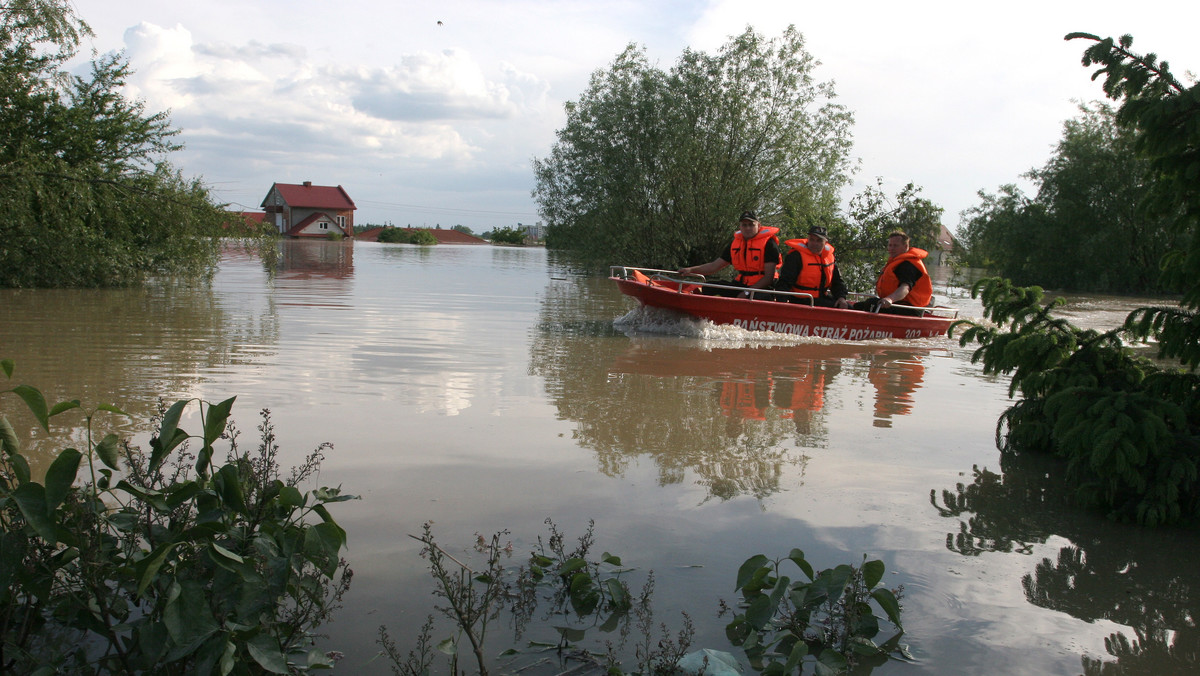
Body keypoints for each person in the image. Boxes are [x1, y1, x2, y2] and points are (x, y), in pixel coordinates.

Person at [677, 211, 780, 298]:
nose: (748, 228)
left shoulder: (769, 244)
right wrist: (690, 270)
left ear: (758, 225)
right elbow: (714, 266)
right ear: (740, 226)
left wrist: (747, 292)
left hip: (763, 288)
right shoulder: (735, 244)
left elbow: (768, 278)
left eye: (751, 225)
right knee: (709, 286)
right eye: (744, 225)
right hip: (741, 284)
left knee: (757, 297)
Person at [853, 231, 932, 315]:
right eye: (890, 245)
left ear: (905, 246)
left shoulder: (908, 265)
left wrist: (890, 299)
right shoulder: (896, 262)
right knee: (858, 306)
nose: (891, 248)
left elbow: (905, 288)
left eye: (895, 245)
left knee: (871, 303)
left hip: (909, 309)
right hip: (898, 304)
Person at [774, 225, 849, 308]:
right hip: (799, 300)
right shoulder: (796, 256)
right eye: (812, 240)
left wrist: (841, 297)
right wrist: (782, 303)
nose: (814, 244)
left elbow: (837, 282)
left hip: (820, 298)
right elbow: (785, 282)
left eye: (819, 241)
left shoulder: (829, 257)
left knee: (849, 308)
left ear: (825, 243)